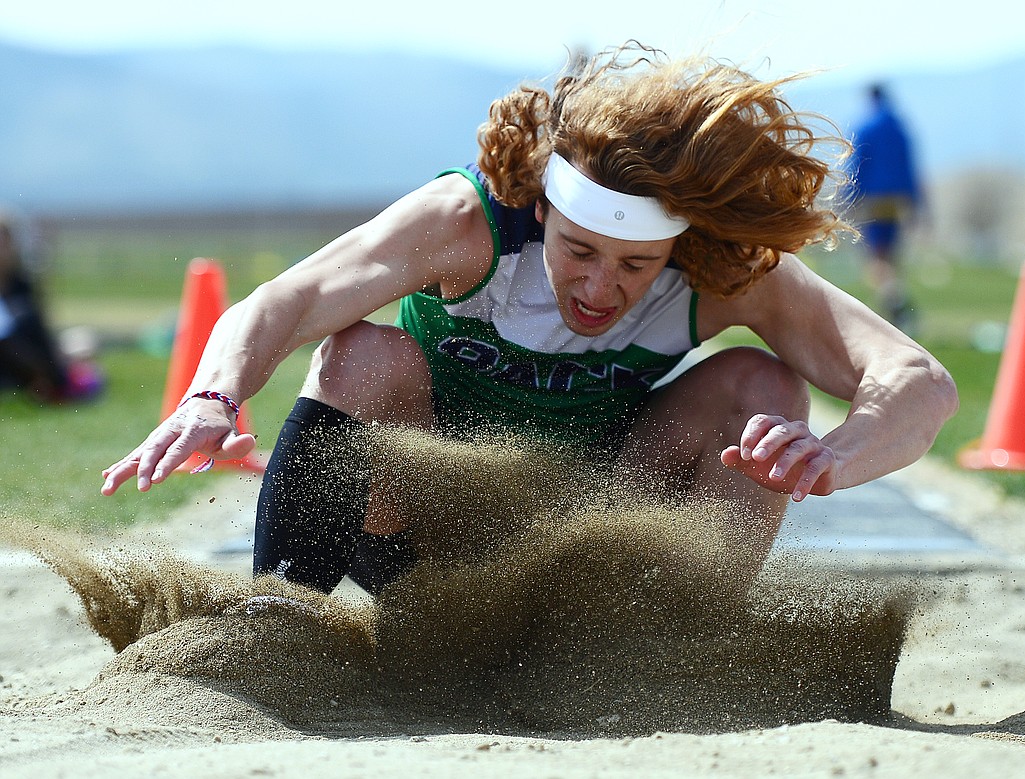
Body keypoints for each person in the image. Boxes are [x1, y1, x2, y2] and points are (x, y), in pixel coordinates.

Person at [100, 44, 957, 596]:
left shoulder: (721, 270)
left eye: (633, 267)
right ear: (544, 214)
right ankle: (279, 622)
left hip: (590, 533)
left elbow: (918, 382)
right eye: (580, 251)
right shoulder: (461, 225)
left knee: (762, 385)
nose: (598, 287)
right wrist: (213, 397)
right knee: (362, 353)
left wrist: (833, 457)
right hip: (422, 530)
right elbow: (282, 303)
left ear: (675, 249)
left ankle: (681, 645)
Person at [844, 83, 923, 332]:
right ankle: (891, 309)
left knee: (876, 256)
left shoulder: (866, 126)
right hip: (898, 199)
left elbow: (857, 164)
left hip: (873, 199)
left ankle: (894, 299)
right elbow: (911, 166)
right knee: (891, 254)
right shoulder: (901, 127)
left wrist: (848, 196)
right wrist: (916, 202)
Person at [0, 213, 102, 403]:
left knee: (83, 340)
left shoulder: (22, 287)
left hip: (34, 368)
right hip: (15, 370)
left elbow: (40, 334)